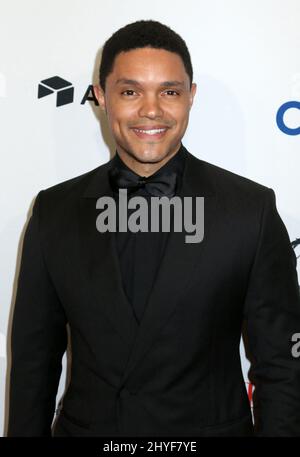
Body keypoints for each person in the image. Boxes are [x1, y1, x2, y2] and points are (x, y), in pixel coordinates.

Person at [7, 19, 300, 437]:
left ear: (190, 98)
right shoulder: (54, 211)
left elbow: (283, 366)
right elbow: (33, 364)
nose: (151, 110)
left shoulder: (249, 210)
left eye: (169, 92)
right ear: (101, 97)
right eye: (130, 91)